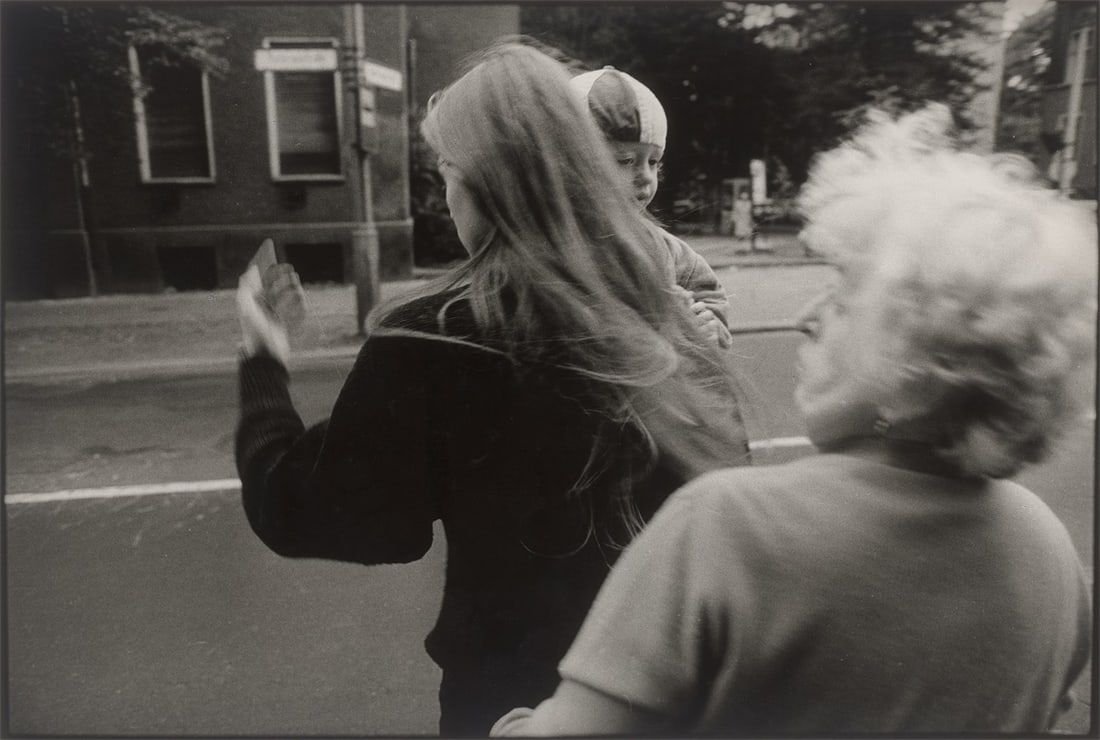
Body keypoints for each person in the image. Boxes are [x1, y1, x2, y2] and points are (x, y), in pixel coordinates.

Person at [491, 103, 1096, 735]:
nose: (807, 316)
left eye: (845, 295)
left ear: (924, 355)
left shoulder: (727, 526)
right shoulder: (1048, 550)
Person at [235, 41, 751, 736]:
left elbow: (311, 511)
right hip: (682, 699)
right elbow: (723, 508)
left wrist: (263, 360)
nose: (448, 197)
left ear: (485, 183)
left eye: (448, 172)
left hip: (515, 705)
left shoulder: (433, 339)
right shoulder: (677, 317)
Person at [570, 66, 733, 349]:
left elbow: (710, 298)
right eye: (625, 160)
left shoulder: (668, 251)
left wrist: (708, 328)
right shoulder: (545, 240)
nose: (646, 175)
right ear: (572, 165)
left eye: (654, 161)